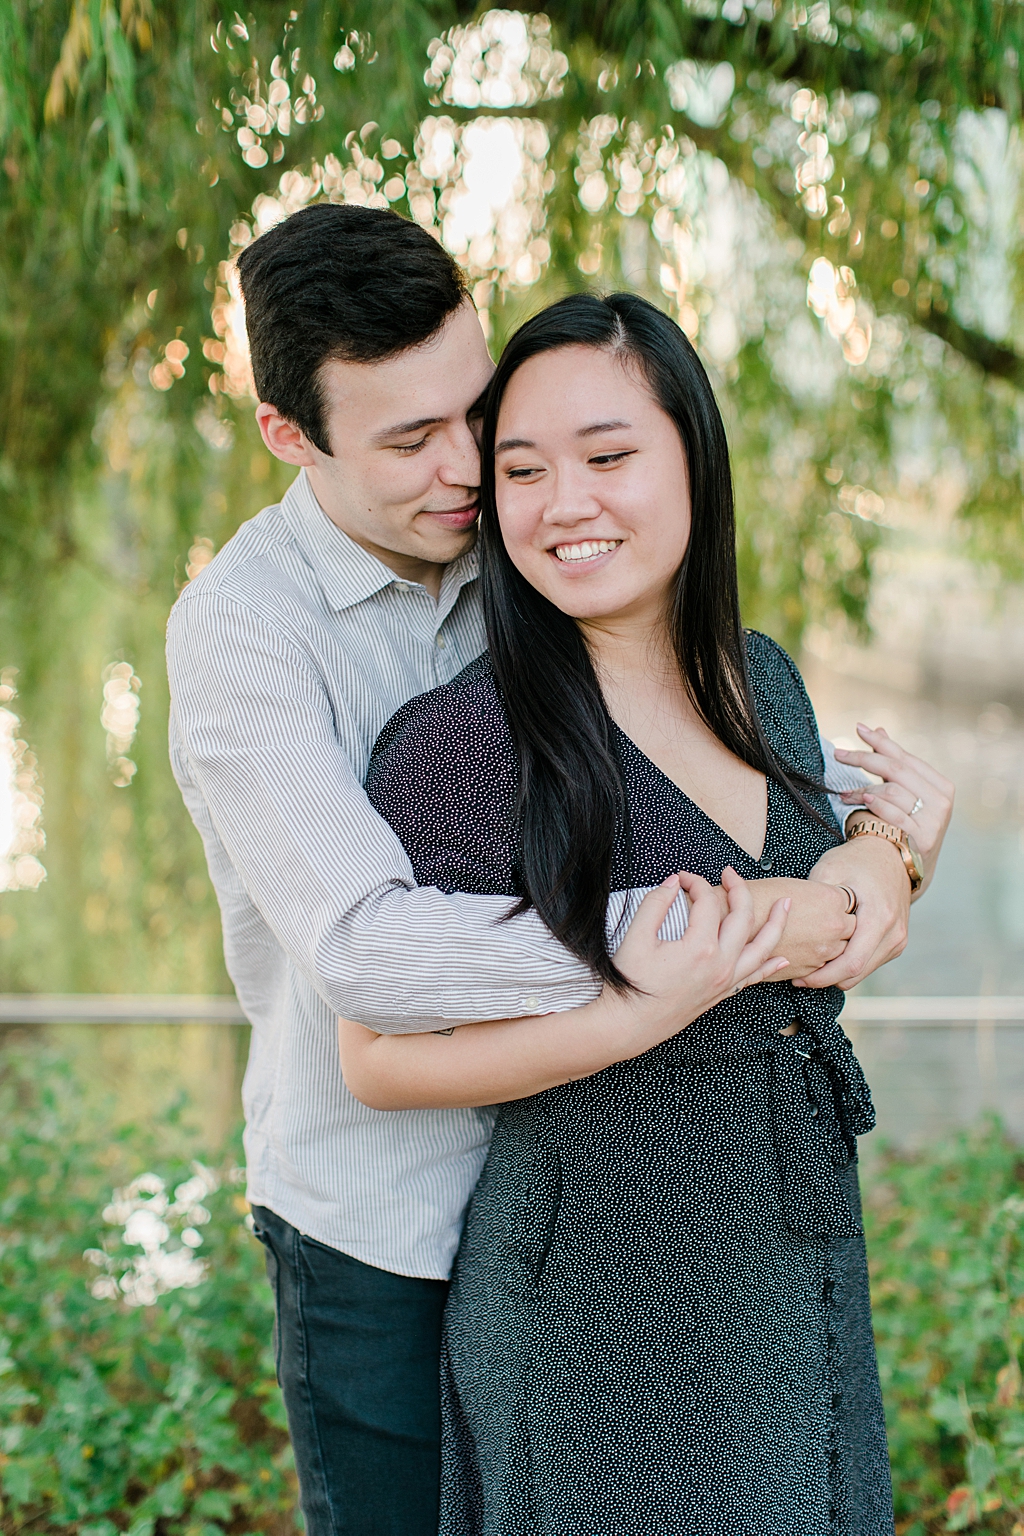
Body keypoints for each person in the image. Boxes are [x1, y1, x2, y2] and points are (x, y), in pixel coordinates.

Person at [166, 205, 952, 1536]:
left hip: (691, 1231)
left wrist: (880, 857)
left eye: (477, 416)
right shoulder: (250, 638)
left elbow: (762, 862)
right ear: (291, 439)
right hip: (391, 1221)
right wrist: (704, 934)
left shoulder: (542, 541)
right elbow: (368, 954)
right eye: (411, 440)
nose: (473, 471)